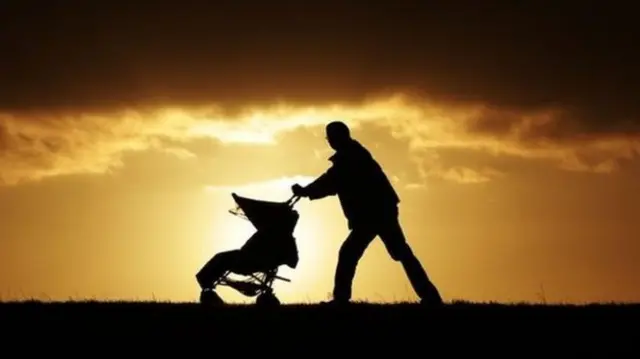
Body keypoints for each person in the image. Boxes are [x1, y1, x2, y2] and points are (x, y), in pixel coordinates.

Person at [291, 121, 443, 306]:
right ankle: (430, 296)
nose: (330, 141)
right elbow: (333, 181)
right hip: (380, 211)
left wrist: (306, 191)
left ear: (338, 137)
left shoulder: (350, 157)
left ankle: (341, 299)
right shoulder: (353, 154)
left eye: (331, 138)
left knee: (351, 253)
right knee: (399, 252)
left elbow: (332, 180)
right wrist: (307, 191)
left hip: (373, 213)